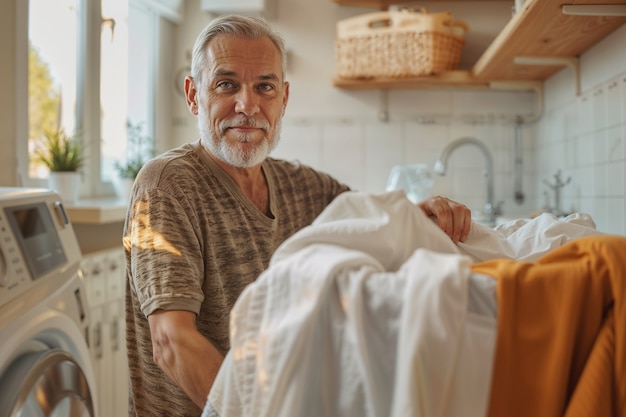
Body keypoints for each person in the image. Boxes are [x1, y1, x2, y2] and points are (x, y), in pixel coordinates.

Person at [123, 14, 472, 417]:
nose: (247, 105)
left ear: (283, 99)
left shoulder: (300, 186)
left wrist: (427, 212)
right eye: (226, 84)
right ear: (193, 94)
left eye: (264, 87)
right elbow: (170, 342)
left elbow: (374, 223)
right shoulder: (164, 186)